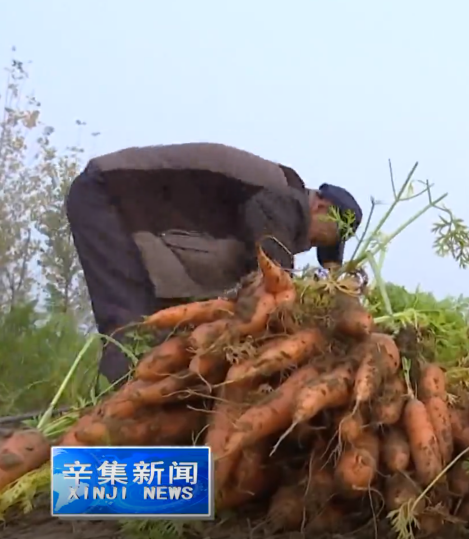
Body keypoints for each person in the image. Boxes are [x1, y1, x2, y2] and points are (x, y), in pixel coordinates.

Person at [65, 142, 364, 383]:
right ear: (321, 207)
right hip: (110, 196)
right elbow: (275, 267)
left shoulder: (275, 203)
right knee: (132, 330)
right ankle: (111, 434)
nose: (308, 247)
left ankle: (149, 429)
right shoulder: (284, 197)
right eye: (318, 241)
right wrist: (297, 314)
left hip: (145, 224)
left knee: (165, 341)